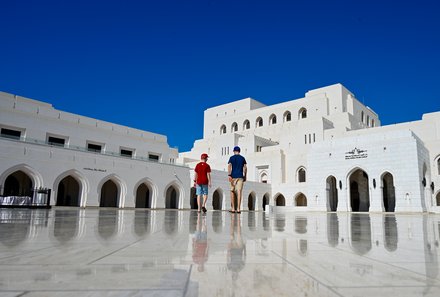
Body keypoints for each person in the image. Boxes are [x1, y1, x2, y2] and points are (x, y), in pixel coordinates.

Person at [228, 146, 247, 213]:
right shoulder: (242, 158)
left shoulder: (231, 158)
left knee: (232, 191)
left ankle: (233, 208)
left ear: (234, 151)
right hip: (240, 176)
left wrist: (229, 175)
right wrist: (245, 176)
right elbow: (245, 168)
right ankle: (238, 208)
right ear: (239, 151)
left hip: (233, 177)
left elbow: (229, 166)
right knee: (239, 192)